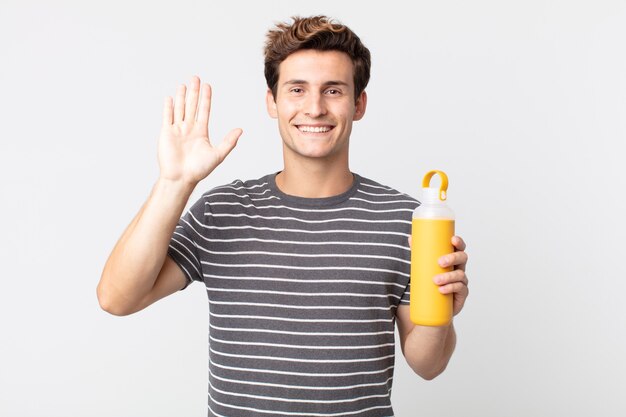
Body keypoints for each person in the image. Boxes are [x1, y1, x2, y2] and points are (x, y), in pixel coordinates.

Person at [98, 15, 469, 417]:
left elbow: (428, 364)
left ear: (358, 103)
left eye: (333, 90)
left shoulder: (406, 219)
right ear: (272, 102)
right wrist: (175, 182)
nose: (314, 107)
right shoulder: (222, 211)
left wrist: (439, 312)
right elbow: (117, 298)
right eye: (297, 89)